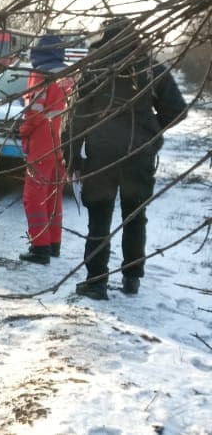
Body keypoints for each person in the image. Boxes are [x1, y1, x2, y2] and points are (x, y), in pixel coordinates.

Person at [67, 16, 187, 299]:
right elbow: (178, 110)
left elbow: (77, 118)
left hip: (102, 157)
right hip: (138, 155)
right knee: (135, 217)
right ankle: (132, 278)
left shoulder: (94, 71)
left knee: (99, 219)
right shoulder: (150, 68)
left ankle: (96, 283)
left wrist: (71, 156)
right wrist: (151, 129)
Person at [17, 35, 72, 264]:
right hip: (62, 142)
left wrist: (23, 131)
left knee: (34, 196)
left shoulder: (41, 74)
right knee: (53, 195)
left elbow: (33, 111)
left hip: (42, 141)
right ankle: (53, 243)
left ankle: (40, 247)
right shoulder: (69, 76)